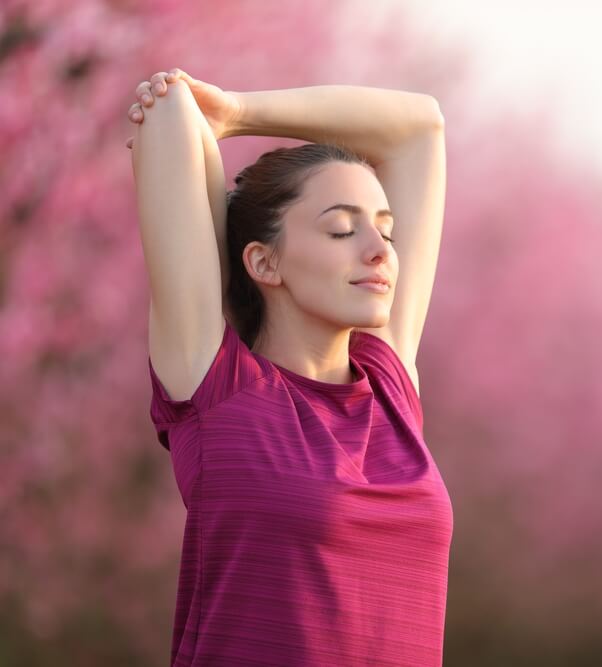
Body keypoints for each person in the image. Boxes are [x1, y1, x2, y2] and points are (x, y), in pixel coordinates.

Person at [127, 68, 452, 666]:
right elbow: (171, 114)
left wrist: (237, 111)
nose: (379, 249)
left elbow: (420, 128)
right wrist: (191, 109)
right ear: (264, 262)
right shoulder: (218, 389)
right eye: (341, 228)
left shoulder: (391, 391)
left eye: (386, 231)